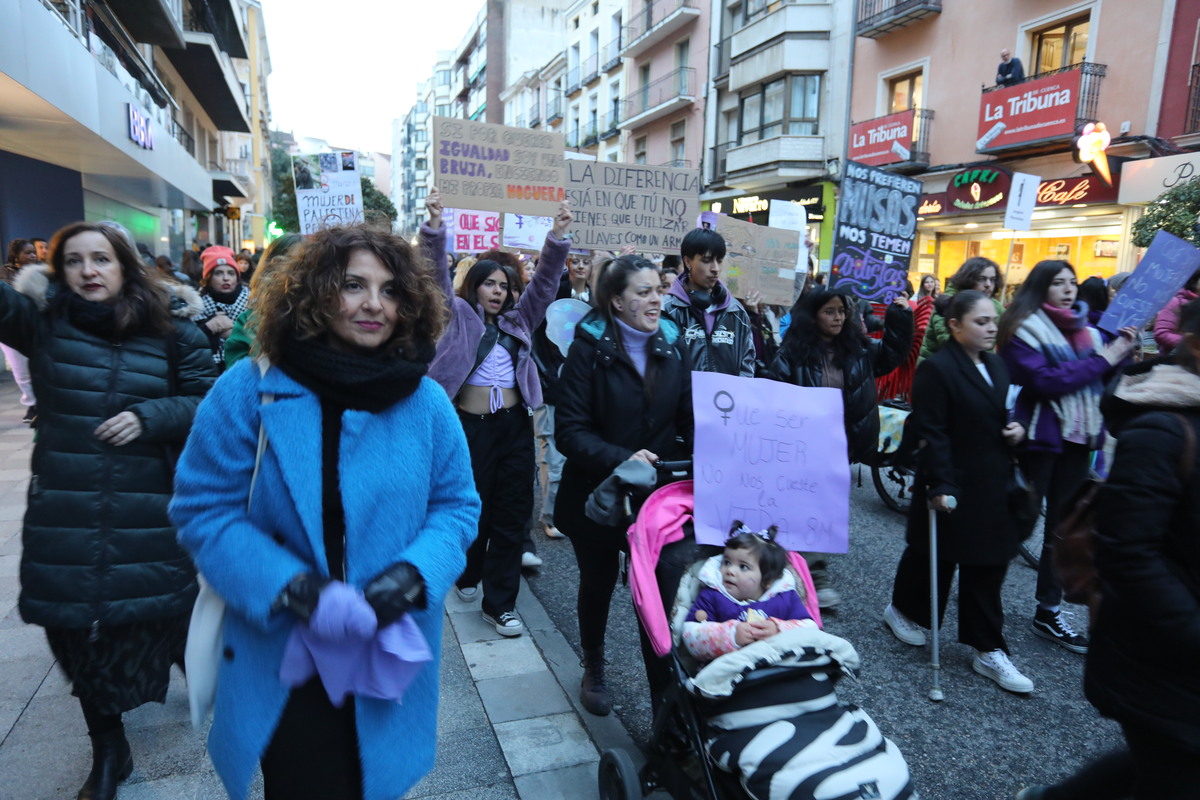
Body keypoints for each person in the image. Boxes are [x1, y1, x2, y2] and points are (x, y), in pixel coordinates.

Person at [170, 223, 479, 800]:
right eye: (353, 285)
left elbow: (457, 507)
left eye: (389, 290)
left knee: (376, 781)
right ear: (315, 293)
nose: (373, 305)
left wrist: (415, 573)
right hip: (285, 650)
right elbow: (203, 510)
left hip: (387, 647)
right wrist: (294, 588)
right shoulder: (247, 391)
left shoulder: (428, 401)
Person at [3, 221, 214, 800]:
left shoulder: (171, 328)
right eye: (74, 261)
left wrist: (152, 417)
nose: (89, 271)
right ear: (58, 271)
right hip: (65, 508)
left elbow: (207, 399)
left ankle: (189, 666)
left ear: (124, 265)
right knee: (71, 624)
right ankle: (108, 748)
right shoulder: (43, 323)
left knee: (158, 607)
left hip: (147, 503)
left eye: (101, 259)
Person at [1017, 299, 1200, 800]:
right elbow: (1126, 554)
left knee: (1162, 766)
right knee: (1173, 766)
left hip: (1175, 660)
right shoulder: (1164, 430)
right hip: (1157, 652)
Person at [424, 188, 571, 638]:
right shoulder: (459, 315)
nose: (498, 291)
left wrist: (558, 237)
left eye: (505, 286)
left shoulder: (520, 320)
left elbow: (545, 282)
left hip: (514, 428)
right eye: (490, 283)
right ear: (475, 287)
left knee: (511, 514)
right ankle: (467, 574)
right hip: (468, 430)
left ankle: (501, 604)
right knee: (475, 508)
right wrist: (434, 227)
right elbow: (433, 276)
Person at [555, 254, 693, 715]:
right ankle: (593, 663)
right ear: (616, 300)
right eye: (643, 291)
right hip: (598, 495)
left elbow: (690, 418)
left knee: (653, 592)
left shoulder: (674, 346)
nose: (656, 299)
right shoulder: (587, 350)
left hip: (654, 501)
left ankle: (664, 701)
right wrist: (622, 459)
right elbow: (570, 432)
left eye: (659, 289)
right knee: (596, 583)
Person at [882, 291, 1034, 693]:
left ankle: (988, 648)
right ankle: (902, 611)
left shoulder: (998, 366)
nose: (990, 328)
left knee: (989, 563)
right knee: (936, 556)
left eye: (993, 321)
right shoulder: (938, 369)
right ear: (955, 325)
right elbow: (932, 431)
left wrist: (1018, 429)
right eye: (981, 321)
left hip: (992, 478)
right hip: (950, 478)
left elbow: (1007, 411)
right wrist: (940, 482)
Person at [997, 260, 1137, 654]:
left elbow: (1101, 379)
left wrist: (1124, 353)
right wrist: (1106, 358)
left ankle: (1048, 610)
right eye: (1058, 283)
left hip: (1079, 442)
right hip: (1037, 437)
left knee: (1062, 530)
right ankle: (980, 584)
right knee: (1017, 522)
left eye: (1072, 282)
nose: (1068, 289)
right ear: (1041, 288)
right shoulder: (1024, 329)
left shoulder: (1090, 331)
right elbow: (1046, 382)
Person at [768, 287, 911, 607]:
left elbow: (892, 355)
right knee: (799, 508)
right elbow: (774, 391)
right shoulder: (794, 351)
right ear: (813, 315)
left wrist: (900, 317)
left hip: (840, 445)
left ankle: (810, 571)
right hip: (802, 447)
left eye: (842, 311)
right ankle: (803, 571)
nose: (837, 317)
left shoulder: (857, 348)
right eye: (829, 311)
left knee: (822, 511)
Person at [682, 524, 815, 662]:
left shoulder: (785, 598)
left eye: (743, 567)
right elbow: (691, 635)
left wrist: (779, 630)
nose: (730, 571)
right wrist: (731, 635)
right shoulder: (712, 595)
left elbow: (811, 630)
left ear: (767, 579)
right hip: (731, 669)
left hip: (779, 667)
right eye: (727, 562)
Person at [661, 227, 755, 376]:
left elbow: (747, 363)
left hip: (729, 398)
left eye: (719, 261)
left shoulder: (735, 311)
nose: (715, 269)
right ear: (687, 261)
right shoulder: (666, 310)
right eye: (706, 261)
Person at [223, 233, 305, 370]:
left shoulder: (329, 317)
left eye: (306, 264)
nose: (299, 274)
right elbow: (240, 379)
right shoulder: (249, 322)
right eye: (292, 264)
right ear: (271, 269)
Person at [919, 257, 1004, 363]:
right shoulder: (948, 303)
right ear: (968, 279)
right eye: (982, 279)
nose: (988, 284)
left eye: (992, 279)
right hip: (940, 371)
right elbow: (949, 340)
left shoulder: (994, 305)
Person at [195, 245, 250, 372]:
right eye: (218, 273)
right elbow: (187, 347)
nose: (226, 278)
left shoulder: (253, 304)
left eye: (231, 273)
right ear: (208, 278)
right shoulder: (195, 308)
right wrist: (207, 329)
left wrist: (236, 334)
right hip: (207, 374)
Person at [2, 238, 39, 421]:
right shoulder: (5, 273)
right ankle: (32, 403)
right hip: (11, 326)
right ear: (16, 255)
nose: (33, 255)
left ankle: (40, 402)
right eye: (27, 252)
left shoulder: (41, 272)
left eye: (34, 252)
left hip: (34, 323)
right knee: (20, 369)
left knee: (37, 366)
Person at [1153, 268, 1200, 356]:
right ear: (1194, 281)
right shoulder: (1175, 302)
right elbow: (1161, 333)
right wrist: (1190, 343)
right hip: (1176, 360)